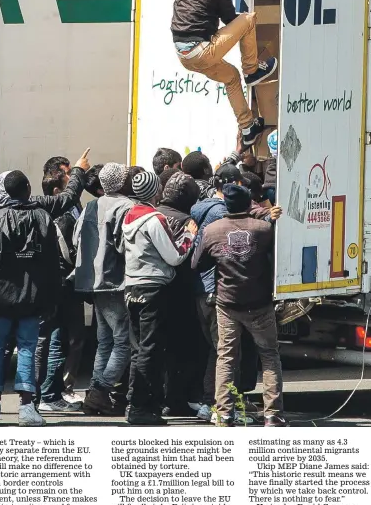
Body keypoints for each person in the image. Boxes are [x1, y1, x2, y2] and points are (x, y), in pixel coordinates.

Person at [191, 184, 287, 428]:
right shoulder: (264, 229)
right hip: (260, 304)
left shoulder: (212, 231)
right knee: (269, 356)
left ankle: (223, 413)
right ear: (249, 204)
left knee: (226, 358)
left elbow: (197, 265)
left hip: (227, 304)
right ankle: (273, 415)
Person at [0, 171, 62, 427]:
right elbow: (52, 265)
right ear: (27, 187)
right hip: (32, 298)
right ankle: (26, 409)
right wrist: (51, 300)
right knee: (27, 349)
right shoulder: (43, 218)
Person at [171, 0, 277, 146]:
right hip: (202, 51)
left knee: (231, 78)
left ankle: (248, 128)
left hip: (184, 55)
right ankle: (252, 69)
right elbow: (230, 19)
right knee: (247, 20)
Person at [122, 170, 197, 425]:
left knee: (138, 349)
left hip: (131, 286)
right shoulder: (155, 219)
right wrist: (189, 235)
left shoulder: (129, 216)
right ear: (155, 192)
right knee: (151, 350)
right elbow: (174, 256)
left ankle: (133, 402)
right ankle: (142, 407)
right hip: (153, 288)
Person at [73, 163, 134, 416]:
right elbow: (128, 243)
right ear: (122, 182)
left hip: (93, 280)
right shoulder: (127, 207)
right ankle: (100, 390)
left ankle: (95, 393)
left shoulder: (90, 207)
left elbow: (77, 239)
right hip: (116, 280)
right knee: (123, 342)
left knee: (104, 341)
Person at [35, 170, 86, 413]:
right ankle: (50, 395)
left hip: (51, 285)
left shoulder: (39, 215)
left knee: (49, 340)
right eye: (68, 185)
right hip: (64, 285)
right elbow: (71, 254)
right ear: (57, 192)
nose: (73, 191)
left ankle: (45, 394)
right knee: (56, 341)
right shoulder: (63, 218)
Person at [156, 171, 205, 416]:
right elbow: (194, 259)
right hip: (182, 293)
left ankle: (159, 398)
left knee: (156, 348)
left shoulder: (153, 215)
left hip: (154, 291)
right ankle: (177, 398)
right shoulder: (189, 222)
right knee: (183, 348)